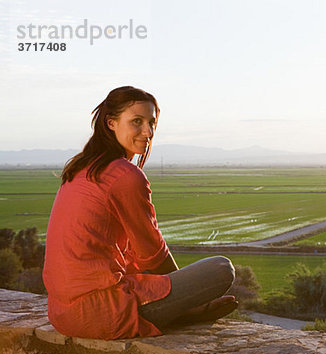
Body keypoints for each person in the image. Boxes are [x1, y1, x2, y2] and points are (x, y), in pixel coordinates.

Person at [43, 86, 237, 340]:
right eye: (137, 122)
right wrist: (187, 298)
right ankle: (182, 313)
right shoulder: (124, 175)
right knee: (222, 269)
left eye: (151, 123)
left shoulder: (80, 169)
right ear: (111, 123)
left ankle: (178, 313)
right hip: (102, 313)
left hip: (61, 313)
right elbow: (152, 253)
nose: (148, 132)